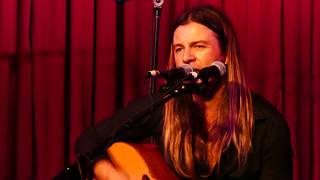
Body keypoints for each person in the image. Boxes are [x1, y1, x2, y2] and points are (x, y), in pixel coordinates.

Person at [75, 4, 293, 180]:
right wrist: (113, 175)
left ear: (225, 55)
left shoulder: (265, 123)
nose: (187, 57)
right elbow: (89, 142)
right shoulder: (164, 107)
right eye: (179, 49)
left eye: (199, 46)